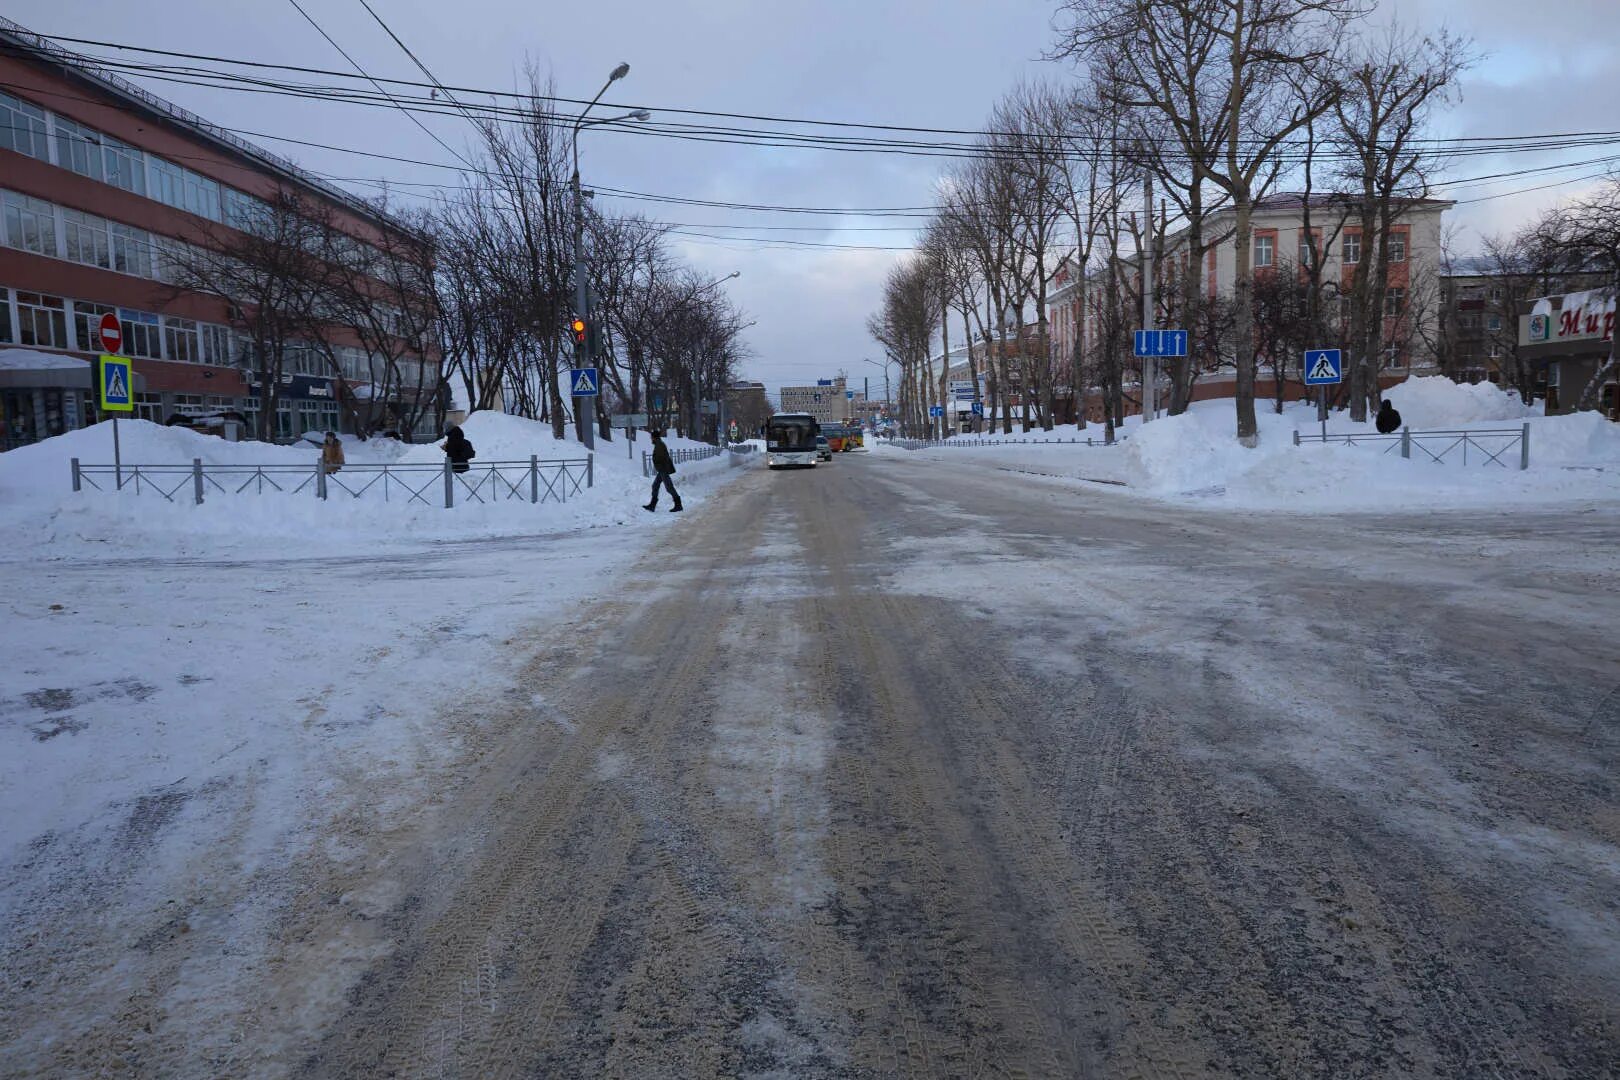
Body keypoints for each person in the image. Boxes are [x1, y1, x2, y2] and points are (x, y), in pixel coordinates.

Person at [643, 430, 682, 513]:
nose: (651, 439)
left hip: (663, 469)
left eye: (651, 437)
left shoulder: (660, 445)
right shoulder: (658, 444)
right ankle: (652, 505)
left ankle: (678, 505)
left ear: (654, 437)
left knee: (669, 487)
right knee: (655, 485)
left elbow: (662, 458)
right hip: (662, 470)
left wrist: (658, 465)